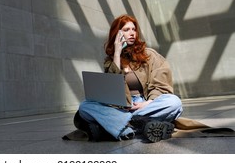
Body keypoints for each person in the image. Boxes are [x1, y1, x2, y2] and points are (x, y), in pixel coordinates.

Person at [75, 14, 183, 143]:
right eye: (126, 30)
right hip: (119, 107)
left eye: (134, 29)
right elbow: (112, 89)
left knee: (174, 102)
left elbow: (161, 83)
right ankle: (141, 124)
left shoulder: (149, 55)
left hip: (145, 104)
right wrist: (116, 53)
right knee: (85, 106)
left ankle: (119, 127)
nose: (132, 33)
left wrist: (147, 103)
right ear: (117, 34)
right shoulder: (110, 61)